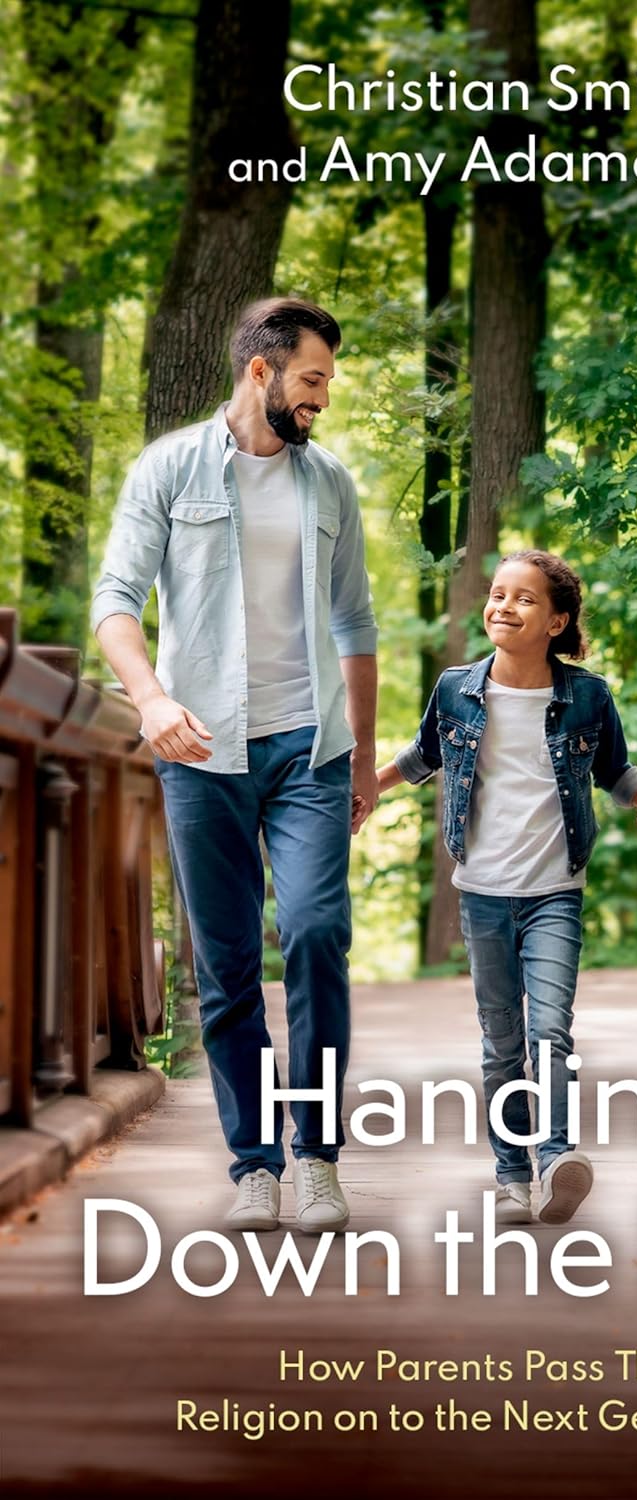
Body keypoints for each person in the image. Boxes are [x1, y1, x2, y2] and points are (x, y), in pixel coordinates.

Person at [91, 297, 378, 1234]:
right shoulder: (169, 467)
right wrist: (150, 698)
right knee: (225, 964)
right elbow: (115, 600)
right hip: (201, 749)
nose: (321, 397)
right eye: (311, 379)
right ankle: (255, 1163)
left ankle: (318, 1159)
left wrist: (362, 758)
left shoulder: (329, 484)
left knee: (316, 933)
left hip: (310, 748)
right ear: (261, 371)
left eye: (326, 381)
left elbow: (354, 624)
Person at [377, 552, 637, 1224]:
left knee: (549, 1032)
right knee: (501, 1043)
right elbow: (423, 755)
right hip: (481, 892)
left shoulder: (588, 697)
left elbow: (615, 771)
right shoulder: (455, 689)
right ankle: (511, 1175)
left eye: (524, 599)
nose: (503, 607)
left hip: (554, 891)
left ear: (556, 622)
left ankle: (557, 1158)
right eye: (497, 594)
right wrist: (366, 788)